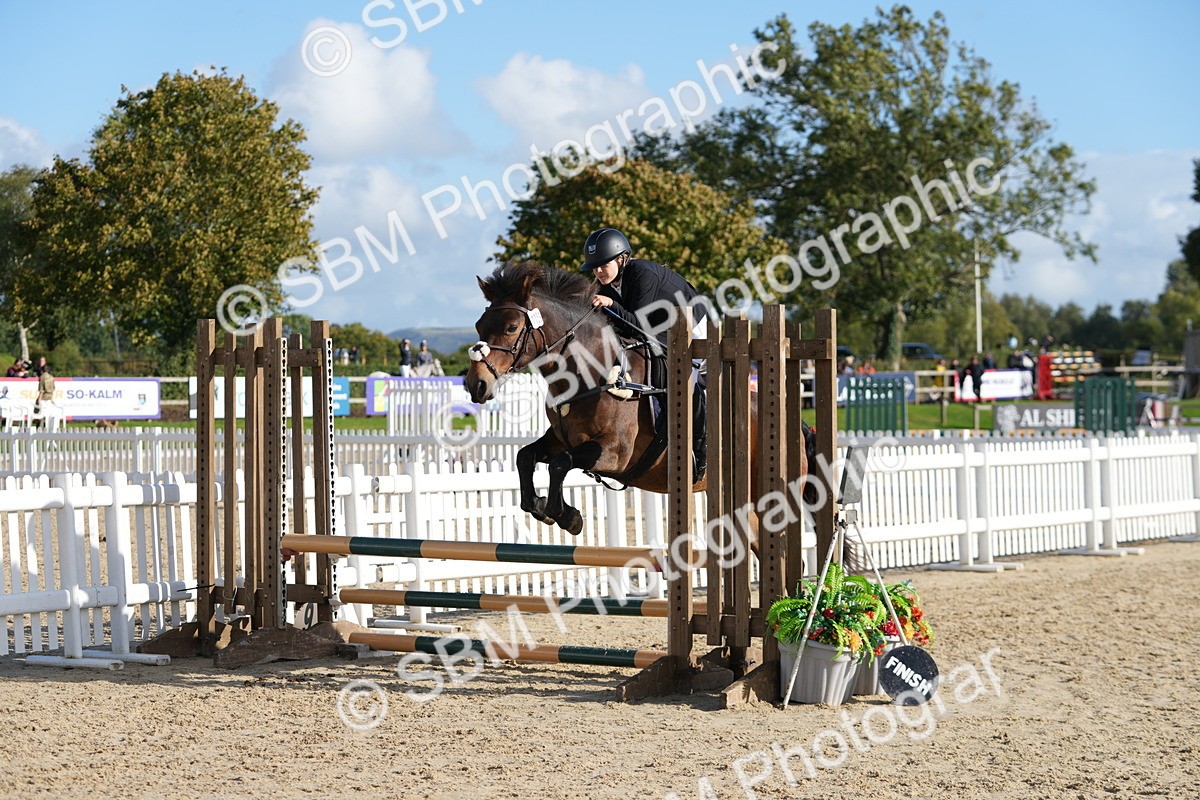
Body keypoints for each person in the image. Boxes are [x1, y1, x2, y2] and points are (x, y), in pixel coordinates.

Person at [580, 227, 701, 348]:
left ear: (621, 259)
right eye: (594, 267)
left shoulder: (643, 274)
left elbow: (637, 327)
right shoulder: (605, 285)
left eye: (604, 265)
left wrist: (611, 303)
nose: (598, 271)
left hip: (693, 325)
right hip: (658, 327)